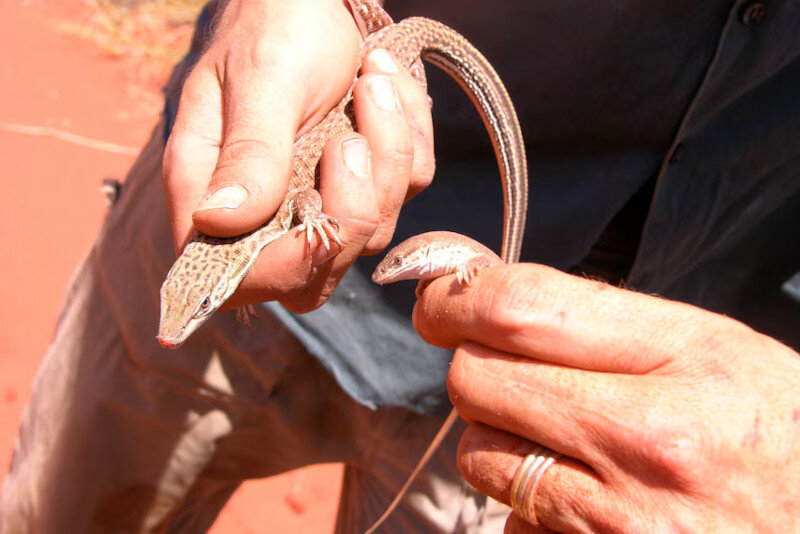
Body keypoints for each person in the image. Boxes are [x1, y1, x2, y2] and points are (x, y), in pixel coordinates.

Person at [3, 0, 800, 532]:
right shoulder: (233, 235)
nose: (185, 313)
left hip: (604, 375)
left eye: (199, 297)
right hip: (325, 113)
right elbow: (289, 212)